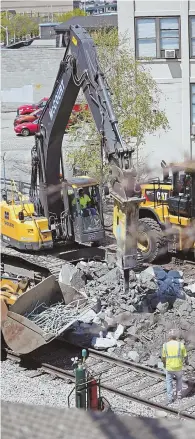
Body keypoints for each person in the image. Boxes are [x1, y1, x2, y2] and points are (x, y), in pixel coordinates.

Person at [161, 329, 189, 404]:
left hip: (169, 367)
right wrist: (186, 362)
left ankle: (170, 398)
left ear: (169, 337)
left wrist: (164, 364)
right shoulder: (181, 345)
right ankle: (179, 395)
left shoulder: (165, 345)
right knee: (179, 380)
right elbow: (185, 356)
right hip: (178, 367)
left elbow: (163, 358)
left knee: (169, 382)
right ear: (176, 337)